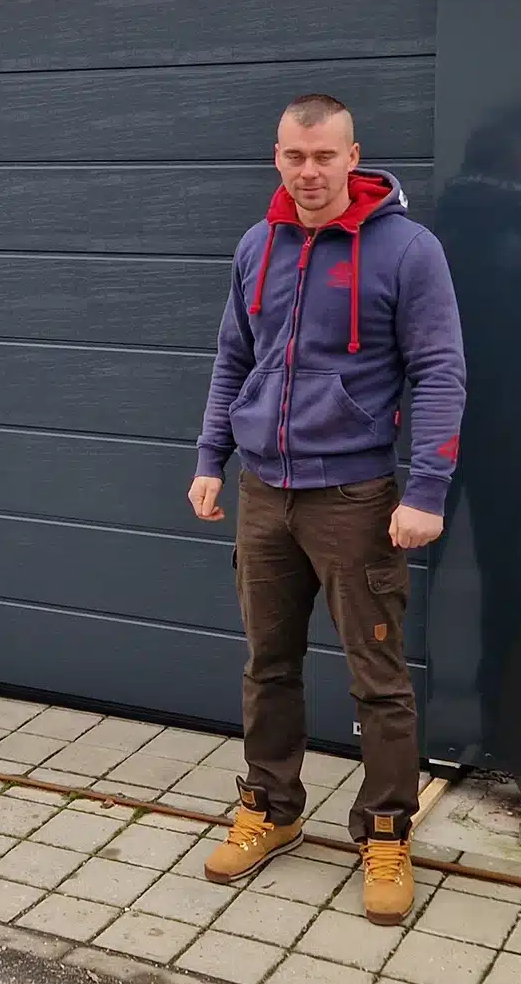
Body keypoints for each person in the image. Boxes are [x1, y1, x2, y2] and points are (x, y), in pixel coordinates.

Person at [188, 93, 465, 926]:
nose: (308, 172)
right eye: (293, 156)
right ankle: (272, 808)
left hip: (353, 498)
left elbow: (441, 369)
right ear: (277, 156)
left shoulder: (407, 251)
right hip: (263, 494)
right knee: (267, 664)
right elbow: (233, 356)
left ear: (353, 156)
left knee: (378, 677)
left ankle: (385, 831)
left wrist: (426, 489)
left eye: (323, 156)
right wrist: (210, 458)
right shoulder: (257, 244)